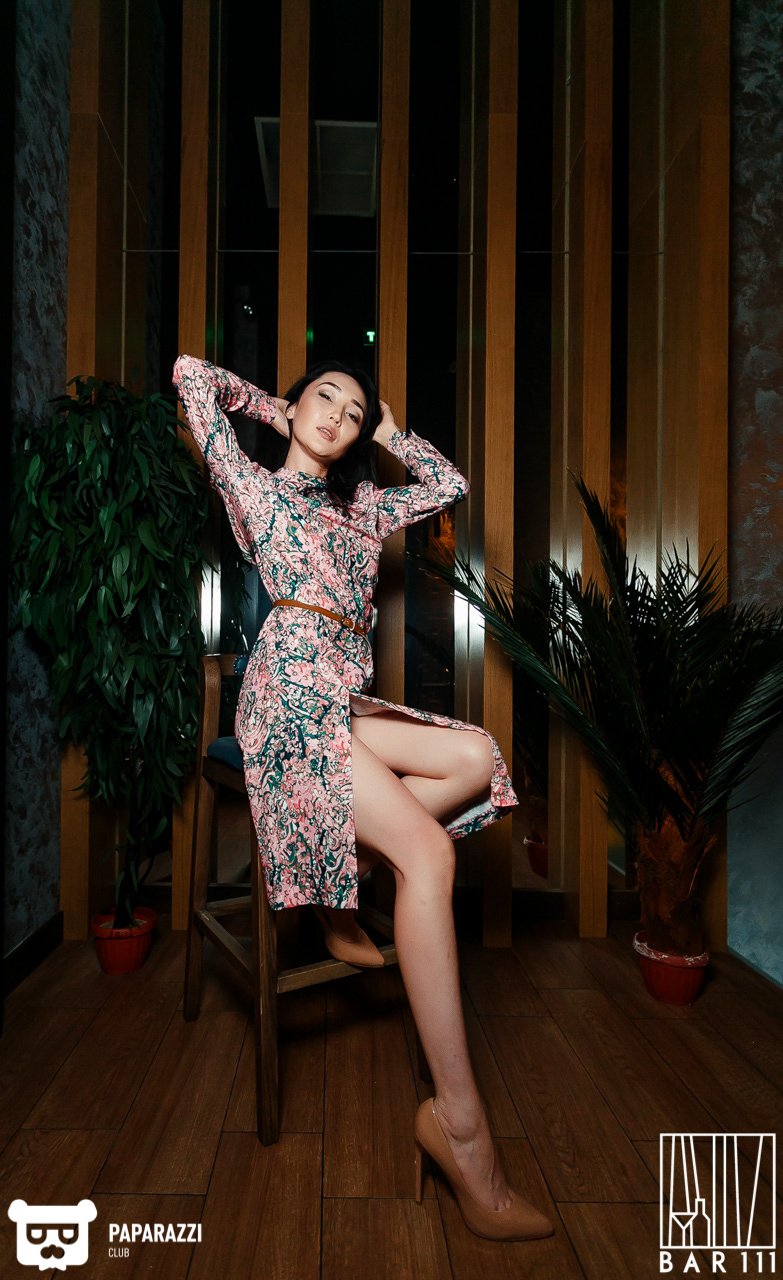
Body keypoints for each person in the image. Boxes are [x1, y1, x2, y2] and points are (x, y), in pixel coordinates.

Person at [172, 354, 554, 1243]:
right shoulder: (253, 488)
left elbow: (448, 484)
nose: (338, 417)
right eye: (325, 398)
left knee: (474, 755)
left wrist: (385, 430)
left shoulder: (363, 507)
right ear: (296, 404)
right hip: (285, 699)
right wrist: (276, 409)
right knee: (427, 854)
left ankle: (336, 867)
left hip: (345, 703)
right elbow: (191, 376)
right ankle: (461, 1129)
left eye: (353, 412)